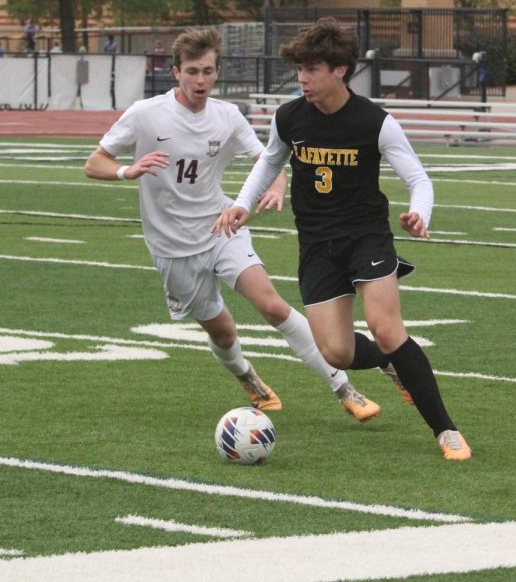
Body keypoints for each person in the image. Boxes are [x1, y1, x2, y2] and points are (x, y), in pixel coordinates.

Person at [84, 26, 379, 422]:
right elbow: (93, 162)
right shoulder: (145, 114)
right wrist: (127, 170)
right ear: (176, 73)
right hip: (172, 247)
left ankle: (344, 388)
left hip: (220, 226)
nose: (200, 80)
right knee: (222, 333)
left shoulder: (227, 117)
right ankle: (247, 377)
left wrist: (275, 187)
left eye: (207, 71)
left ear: (217, 72)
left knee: (272, 305)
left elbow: (270, 159)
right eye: (192, 71)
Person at [213, 18, 471, 461]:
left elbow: (418, 178)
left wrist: (418, 213)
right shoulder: (289, 117)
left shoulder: (375, 122)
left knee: (387, 329)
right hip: (316, 244)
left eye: (311, 69)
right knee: (336, 351)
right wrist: (242, 203)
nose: (302, 79)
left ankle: (445, 430)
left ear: (340, 70)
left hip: (366, 238)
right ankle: (392, 366)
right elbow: (268, 163)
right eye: (299, 69)